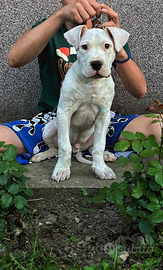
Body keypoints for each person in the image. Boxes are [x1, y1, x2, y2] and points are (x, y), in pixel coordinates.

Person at [0, 0, 161, 164]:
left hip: (99, 121)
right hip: (53, 120)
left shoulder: (106, 33)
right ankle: (56, 148)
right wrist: (60, 16)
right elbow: (14, 59)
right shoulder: (50, 28)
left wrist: (116, 46)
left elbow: (139, 91)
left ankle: (95, 147)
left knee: (158, 127)